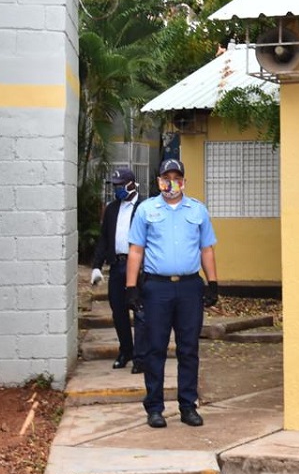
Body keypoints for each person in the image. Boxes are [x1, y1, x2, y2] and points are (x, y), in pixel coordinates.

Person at [125, 158, 219, 429]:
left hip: (190, 287)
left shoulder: (198, 210)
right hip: (157, 288)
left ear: (184, 181)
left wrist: (213, 283)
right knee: (155, 348)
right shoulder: (146, 210)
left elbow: (207, 249)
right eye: (166, 178)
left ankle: (188, 406)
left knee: (189, 349)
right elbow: (136, 250)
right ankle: (154, 408)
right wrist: (131, 288)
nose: (171, 183)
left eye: (176, 177)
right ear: (159, 181)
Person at [90, 167, 145, 372]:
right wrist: (97, 266)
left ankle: (140, 357)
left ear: (132, 184)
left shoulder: (143, 208)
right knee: (118, 312)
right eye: (115, 186)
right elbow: (104, 239)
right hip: (117, 265)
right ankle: (126, 351)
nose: (118, 189)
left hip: (139, 267)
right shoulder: (112, 208)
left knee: (140, 312)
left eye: (121, 185)